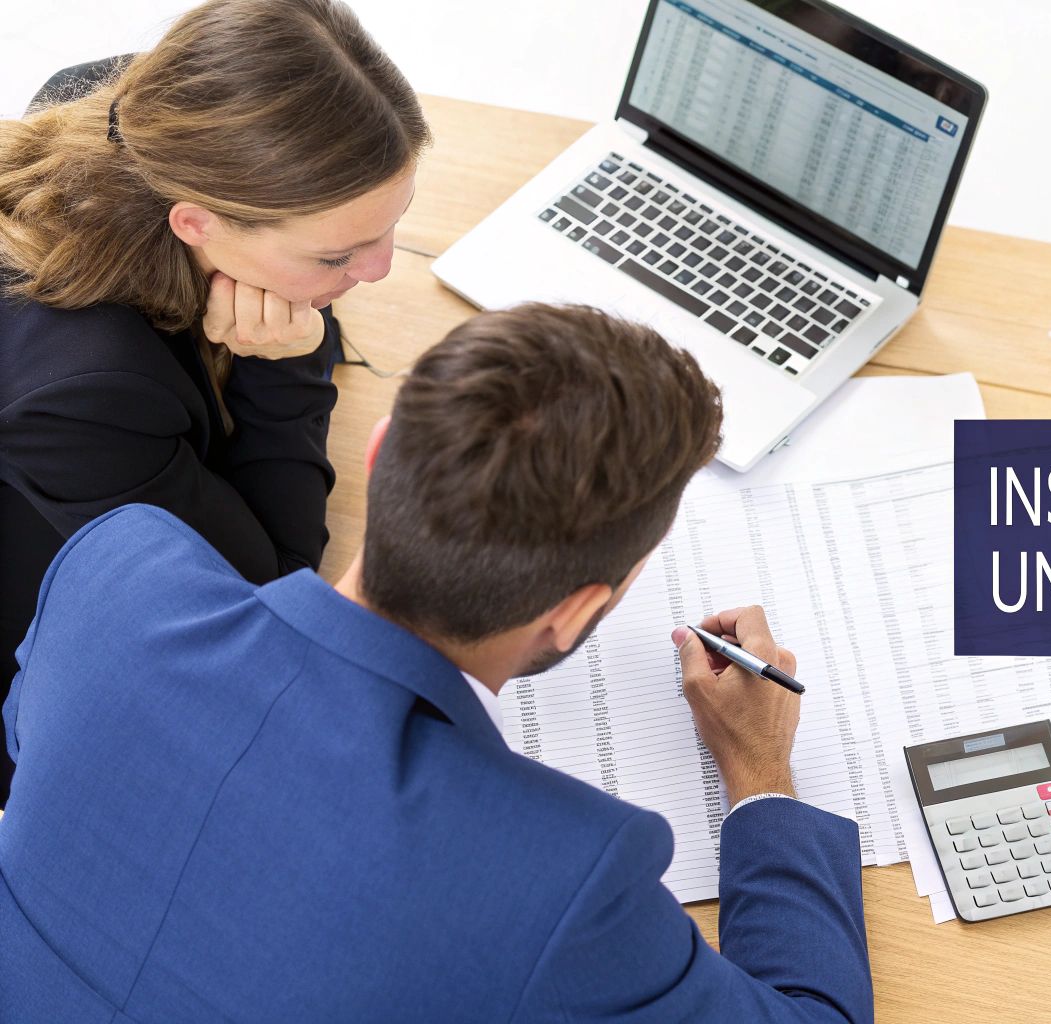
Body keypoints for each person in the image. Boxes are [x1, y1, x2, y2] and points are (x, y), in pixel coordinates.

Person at [0, 302, 872, 1022]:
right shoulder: (563, 882)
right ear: (575, 610)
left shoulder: (114, 577)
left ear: (377, 457)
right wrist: (760, 774)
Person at [0, 0, 428, 803]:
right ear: (195, 222)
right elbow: (267, 596)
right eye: (338, 253)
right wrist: (286, 367)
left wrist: (309, 273)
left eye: (392, 222)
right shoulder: (88, 391)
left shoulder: (116, 109)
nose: (378, 271)